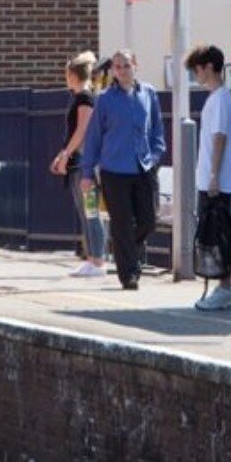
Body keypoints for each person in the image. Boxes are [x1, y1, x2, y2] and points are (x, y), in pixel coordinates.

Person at [80, 50, 166, 291]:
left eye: (126, 65)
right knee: (121, 224)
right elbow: (94, 137)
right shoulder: (105, 99)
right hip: (114, 170)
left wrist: (157, 155)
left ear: (135, 66)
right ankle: (128, 274)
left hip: (143, 166)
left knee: (148, 221)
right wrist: (87, 172)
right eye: (117, 67)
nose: (121, 70)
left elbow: (157, 129)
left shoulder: (148, 93)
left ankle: (126, 249)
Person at [185, 44, 231, 311]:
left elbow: (219, 137)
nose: (196, 74)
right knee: (213, 234)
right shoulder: (218, 98)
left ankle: (225, 288)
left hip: (217, 180)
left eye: (197, 68)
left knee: (216, 234)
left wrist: (213, 175)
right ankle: (223, 288)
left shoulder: (220, 99)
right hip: (215, 178)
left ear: (209, 66)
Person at [51, 52, 109, 278]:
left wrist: (66, 154)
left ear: (73, 75)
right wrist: (62, 155)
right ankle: (92, 258)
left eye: (67, 73)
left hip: (85, 166)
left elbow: (82, 129)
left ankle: (98, 261)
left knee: (91, 212)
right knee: (86, 213)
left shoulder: (85, 98)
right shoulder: (80, 97)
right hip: (78, 164)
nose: (65, 77)